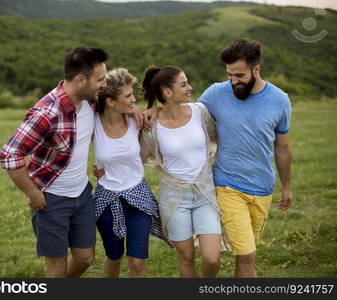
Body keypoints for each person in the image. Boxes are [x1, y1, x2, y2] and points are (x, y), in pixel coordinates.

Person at [0, 46, 113, 278]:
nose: (104, 84)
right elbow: (10, 154)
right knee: (57, 266)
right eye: (100, 79)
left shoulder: (91, 101)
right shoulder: (47, 113)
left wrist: (143, 113)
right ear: (81, 80)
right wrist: (32, 193)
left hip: (82, 194)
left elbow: (121, 101)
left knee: (85, 258)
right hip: (51, 200)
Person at [196, 38, 293, 277]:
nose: (233, 81)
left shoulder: (280, 100)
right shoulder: (216, 93)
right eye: (229, 75)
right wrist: (153, 110)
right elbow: (184, 115)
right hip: (228, 186)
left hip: (262, 189)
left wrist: (287, 187)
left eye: (239, 75)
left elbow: (282, 148)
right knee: (247, 254)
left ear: (256, 69)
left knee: (246, 254)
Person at [140, 66, 224, 278]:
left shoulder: (200, 112)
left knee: (212, 258)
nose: (190, 88)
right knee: (186, 257)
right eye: (184, 84)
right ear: (167, 92)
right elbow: (138, 159)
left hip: (204, 192)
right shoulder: (152, 126)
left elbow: (218, 138)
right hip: (174, 198)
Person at [92, 68, 167, 278]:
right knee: (113, 257)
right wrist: (93, 169)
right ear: (110, 102)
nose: (134, 100)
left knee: (137, 260)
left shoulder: (137, 120)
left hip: (137, 195)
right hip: (106, 197)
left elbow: (166, 111)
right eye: (128, 96)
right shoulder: (93, 122)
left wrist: (143, 111)